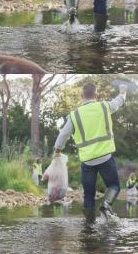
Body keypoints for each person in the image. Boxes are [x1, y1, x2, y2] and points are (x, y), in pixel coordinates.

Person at [53, 82, 127, 220]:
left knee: (88, 194)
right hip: (105, 157)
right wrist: (123, 91)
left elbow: (63, 135)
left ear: (82, 96)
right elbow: (119, 101)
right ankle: (106, 204)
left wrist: (57, 151)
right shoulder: (104, 106)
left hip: (87, 161)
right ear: (96, 95)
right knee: (114, 185)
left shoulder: (74, 115)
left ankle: (88, 227)